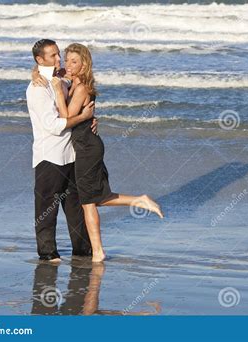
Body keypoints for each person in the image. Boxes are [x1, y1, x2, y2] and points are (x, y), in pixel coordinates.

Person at [49, 43, 164, 263]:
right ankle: (140, 200)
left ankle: (99, 251)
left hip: (87, 149)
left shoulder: (81, 87)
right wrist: (42, 74)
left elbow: (65, 117)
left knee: (88, 202)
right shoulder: (73, 80)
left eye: (75, 61)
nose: (68, 65)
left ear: (85, 64)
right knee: (96, 198)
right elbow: (47, 70)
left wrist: (56, 90)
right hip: (87, 145)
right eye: (67, 60)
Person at [26, 39, 97, 263]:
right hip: (49, 155)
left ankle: (82, 250)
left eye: (59, 54)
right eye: (54, 56)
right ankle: (48, 254)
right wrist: (83, 118)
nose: (59, 60)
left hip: (71, 153)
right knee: (47, 206)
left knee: (75, 206)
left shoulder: (59, 78)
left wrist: (91, 120)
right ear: (40, 60)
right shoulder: (38, 88)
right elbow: (54, 125)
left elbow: (81, 70)